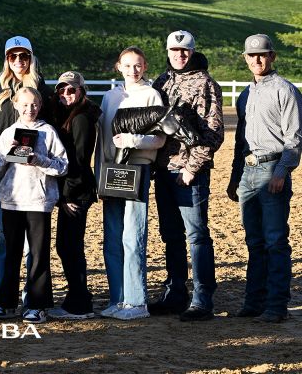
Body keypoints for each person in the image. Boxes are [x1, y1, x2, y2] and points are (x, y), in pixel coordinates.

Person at [226, 34, 302, 323]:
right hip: (248, 172)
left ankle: (276, 305)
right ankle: (254, 302)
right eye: (251, 55)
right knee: (254, 241)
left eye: (262, 54)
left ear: (272, 56)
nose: (256, 59)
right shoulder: (245, 94)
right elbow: (240, 141)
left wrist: (281, 172)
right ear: (245, 58)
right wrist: (235, 177)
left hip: (272, 169)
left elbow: (294, 137)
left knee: (275, 241)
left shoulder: (286, 91)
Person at [150, 30, 224, 321]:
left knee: (197, 236)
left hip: (188, 173)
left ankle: (203, 299)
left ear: (192, 52)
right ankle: (175, 294)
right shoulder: (161, 81)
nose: (180, 55)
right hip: (163, 170)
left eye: (185, 50)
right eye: (174, 50)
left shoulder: (205, 83)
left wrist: (192, 168)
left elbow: (213, 132)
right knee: (171, 235)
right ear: (167, 51)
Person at [0, 36, 54, 301]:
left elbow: (52, 133)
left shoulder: (43, 92)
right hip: (5, 174)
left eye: (24, 56)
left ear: (31, 58)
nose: (19, 61)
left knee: (35, 240)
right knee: (5, 236)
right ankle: (5, 292)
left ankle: (33, 293)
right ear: (7, 60)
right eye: (13, 56)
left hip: (35, 173)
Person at [95, 47, 166, 320]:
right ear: (119, 67)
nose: (133, 70)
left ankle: (136, 302)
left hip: (138, 168)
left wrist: (133, 140)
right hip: (111, 170)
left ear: (145, 66)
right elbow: (102, 139)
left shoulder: (151, 95)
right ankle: (118, 298)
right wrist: (99, 174)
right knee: (112, 237)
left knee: (133, 236)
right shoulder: (110, 97)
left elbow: (159, 139)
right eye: (127, 65)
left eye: (137, 65)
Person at [0, 87, 68, 324]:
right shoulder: (8, 133)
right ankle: (6, 303)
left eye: (33, 104)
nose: (29, 109)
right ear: (15, 105)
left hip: (38, 201)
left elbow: (62, 166)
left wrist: (38, 160)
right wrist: (7, 154)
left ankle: (36, 305)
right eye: (24, 104)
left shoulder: (48, 132)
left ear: (40, 105)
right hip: (12, 201)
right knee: (11, 253)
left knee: (38, 254)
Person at [46, 71, 100, 320]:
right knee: (68, 245)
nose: (66, 94)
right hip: (72, 189)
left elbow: (79, 160)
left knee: (69, 246)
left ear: (81, 91)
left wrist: (67, 195)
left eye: (71, 90)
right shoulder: (71, 114)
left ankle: (80, 302)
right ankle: (78, 297)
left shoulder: (81, 119)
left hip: (76, 191)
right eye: (62, 90)